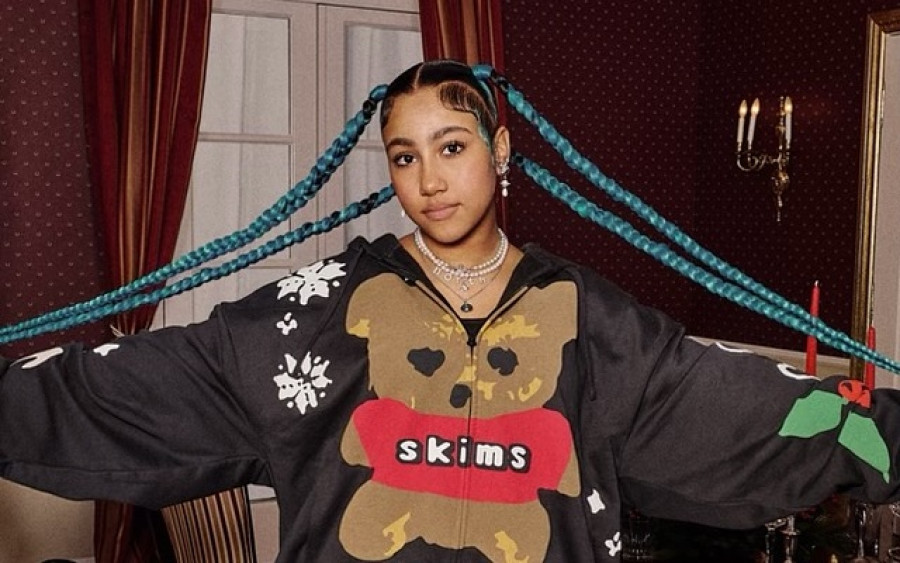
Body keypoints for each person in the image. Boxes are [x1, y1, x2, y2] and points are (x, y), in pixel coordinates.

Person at [1, 59, 900, 563]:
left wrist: (887, 429)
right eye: (404, 156)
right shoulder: (315, 316)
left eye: (452, 146)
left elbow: (742, 410)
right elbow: (131, 388)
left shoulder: (589, 318)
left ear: (500, 150)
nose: (428, 179)